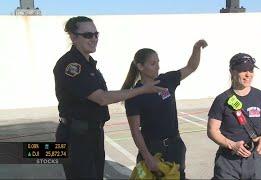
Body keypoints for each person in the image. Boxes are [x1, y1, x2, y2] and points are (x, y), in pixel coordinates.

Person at [53, 16, 165, 180]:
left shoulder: (89, 64)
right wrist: (142, 90)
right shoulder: (71, 65)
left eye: (96, 34)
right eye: (88, 35)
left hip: (93, 134)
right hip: (75, 138)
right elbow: (102, 98)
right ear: (73, 36)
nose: (94, 39)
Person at [122, 39, 208, 179]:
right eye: (153, 63)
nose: (158, 67)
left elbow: (191, 67)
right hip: (153, 149)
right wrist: (147, 157)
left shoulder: (167, 80)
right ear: (140, 66)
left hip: (175, 145)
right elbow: (135, 131)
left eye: (158, 62)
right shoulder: (134, 95)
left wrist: (196, 48)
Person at [207, 53, 261, 179]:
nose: (248, 74)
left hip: (255, 161)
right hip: (228, 162)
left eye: (250, 70)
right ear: (232, 72)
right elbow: (212, 130)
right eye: (243, 70)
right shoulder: (221, 99)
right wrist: (232, 145)